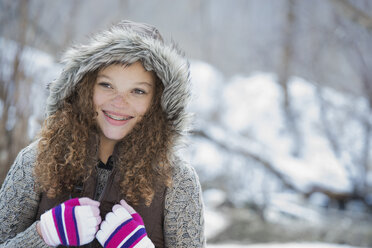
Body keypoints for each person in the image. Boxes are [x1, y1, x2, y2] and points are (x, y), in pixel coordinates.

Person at [0, 20, 205, 247]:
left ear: (157, 101)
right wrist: (42, 234)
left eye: (137, 91)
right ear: (85, 87)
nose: (119, 102)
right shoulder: (35, 160)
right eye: (107, 85)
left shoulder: (178, 181)